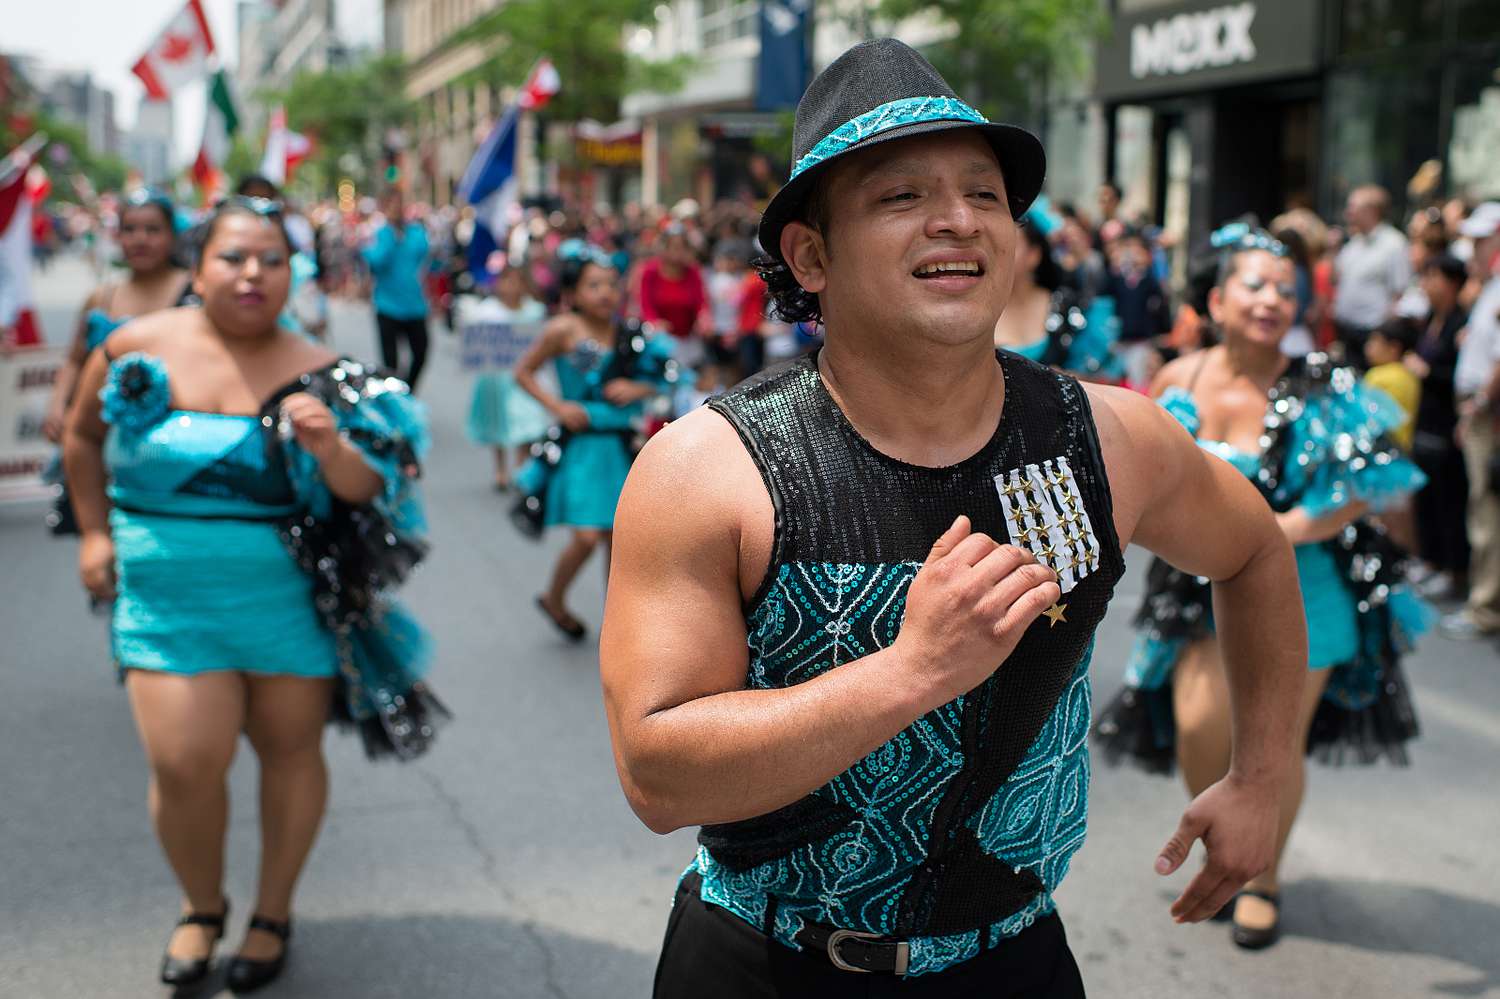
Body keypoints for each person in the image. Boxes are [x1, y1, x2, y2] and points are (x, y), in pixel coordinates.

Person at [603, 40, 1310, 998]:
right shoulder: (708, 469)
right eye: (901, 197)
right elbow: (657, 777)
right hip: (764, 962)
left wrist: (1262, 774)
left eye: (984, 195)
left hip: (1014, 960)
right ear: (811, 255)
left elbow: (1257, 549)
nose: (956, 222)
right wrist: (912, 672)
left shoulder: (1107, 436)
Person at [61, 197, 438, 992]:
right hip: (167, 602)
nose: (252, 274)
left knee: (288, 752)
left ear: (292, 272)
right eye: (232, 257)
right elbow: (81, 434)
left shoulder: (322, 368)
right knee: (186, 761)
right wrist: (94, 532)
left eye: (271, 258)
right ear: (198, 267)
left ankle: (272, 912)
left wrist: (330, 445)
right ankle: (202, 907)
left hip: (285, 603)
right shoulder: (131, 345)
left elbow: (372, 485)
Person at [1093, 224, 1429, 952]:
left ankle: (1263, 877)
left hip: (1306, 592)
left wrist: (1276, 529)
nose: (1273, 298)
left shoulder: (1324, 383)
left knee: (1272, 745)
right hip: (1194, 589)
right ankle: (1232, 842)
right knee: (1197, 730)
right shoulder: (1177, 381)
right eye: (1255, 284)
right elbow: (1148, 476)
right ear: (1216, 299)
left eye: (1285, 288)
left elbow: (1360, 487)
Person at [514, 246, 674, 641]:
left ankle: (616, 625)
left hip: (621, 445)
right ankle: (554, 597)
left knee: (618, 538)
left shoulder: (631, 333)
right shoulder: (562, 330)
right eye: (593, 285)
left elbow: (668, 377)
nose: (605, 292)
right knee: (587, 536)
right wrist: (559, 406)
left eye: (610, 284)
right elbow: (524, 372)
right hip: (582, 446)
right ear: (573, 292)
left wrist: (636, 387)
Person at [41, 188, 192, 535]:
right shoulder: (102, 296)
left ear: (172, 235)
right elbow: (76, 360)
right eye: (130, 229)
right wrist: (58, 405)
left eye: (152, 230)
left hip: (170, 445)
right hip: (104, 443)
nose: (140, 239)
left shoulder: (195, 292)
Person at [1443, 202, 1500, 638]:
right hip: (1481, 410)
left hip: (1489, 414)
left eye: (1484, 239)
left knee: (1487, 513)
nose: (1476, 249)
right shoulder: (1489, 285)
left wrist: (1480, 403)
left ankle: (1485, 608)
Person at [1408, 254, 1472, 597]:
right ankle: (1430, 560)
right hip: (1426, 421)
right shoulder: (1432, 318)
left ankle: (1453, 569)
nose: (1426, 285)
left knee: (1450, 499)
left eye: (1433, 277)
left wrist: (1427, 372)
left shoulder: (1462, 323)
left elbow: (1461, 377)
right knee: (1428, 495)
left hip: (1447, 425)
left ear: (1451, 283)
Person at [993, 220, 1121, 380]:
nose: (997, 255)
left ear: (1034, 255)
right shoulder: (974, 310)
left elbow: (1107, 373)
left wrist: (1069, 382)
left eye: (1008, 246)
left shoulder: (1069, 307)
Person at [464, 265, 550, 490]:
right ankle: (501, 468)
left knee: (527, 421)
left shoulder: (534, 311)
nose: (512, 287)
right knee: (497, 423)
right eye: (507, 281)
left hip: (523, 379)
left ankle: (520, 467)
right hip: (494, 380)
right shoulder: (487, 312)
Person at [1332, 185, 1410, 366]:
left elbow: (1399, 293)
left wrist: (1382, 336)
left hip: (1372, 335)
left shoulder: (1394, 244)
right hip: (1346, 332)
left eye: (1353, 207)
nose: (1348, 213)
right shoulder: (1354, 243)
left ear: (1371, 211)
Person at [363, 187, 432, 390]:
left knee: (421, 353)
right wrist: (392, 238)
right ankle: (396, 399)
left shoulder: (416, 232)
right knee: (390, 364)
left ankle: (407, 391)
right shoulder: (381, 234)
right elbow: (375, 262)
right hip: (387, 306)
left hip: (414, 305)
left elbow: (424, 255)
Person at [636, 223, 707, 363]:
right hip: (660, 339)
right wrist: (654, 322)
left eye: (682, 247)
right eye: (674, 247)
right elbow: (645, 305)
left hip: (688, 337)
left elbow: (701, 302)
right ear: (664, 247)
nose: (678, 252)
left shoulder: (693, 271)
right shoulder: (650, 271)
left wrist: (703, 318)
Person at [1363, 317, 1421, 450]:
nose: (1368, 346)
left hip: (1378, 450)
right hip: (1402, 450)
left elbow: (1365, 418)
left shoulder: (1377, 376)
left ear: (1394, 348)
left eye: (1375, 341)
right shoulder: (1410, 376)